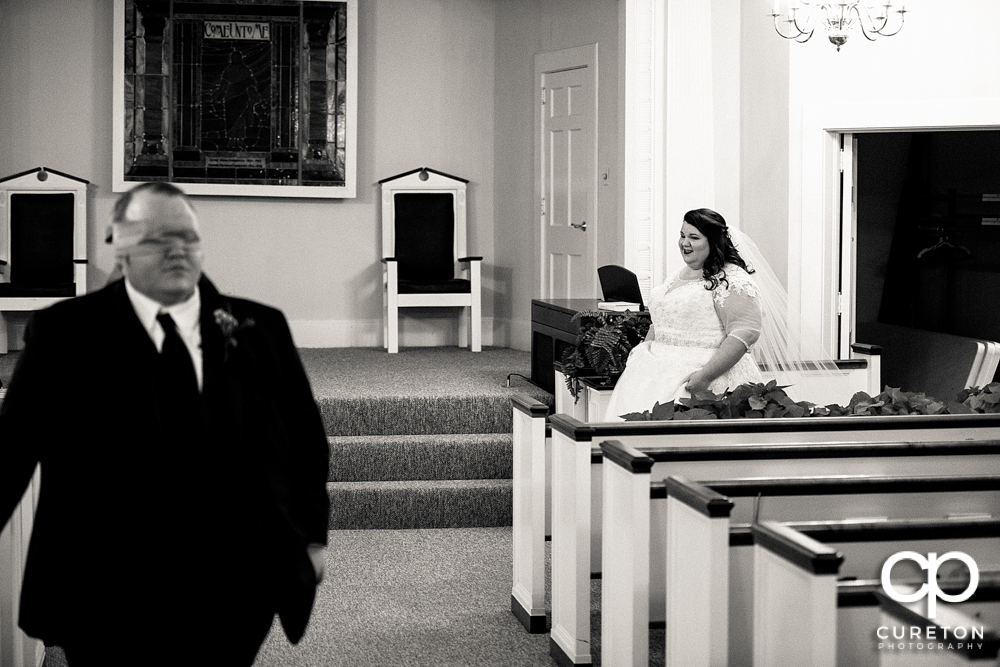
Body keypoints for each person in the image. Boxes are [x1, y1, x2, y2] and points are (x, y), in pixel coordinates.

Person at [0, 182, 331, 666]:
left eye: (188, 236)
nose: (177, 249)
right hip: (106, 584)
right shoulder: (65, 334)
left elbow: (305, 440)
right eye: (157, 238)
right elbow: (12, 449)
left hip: (235, 580)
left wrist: (313, 537)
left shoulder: (260, 328)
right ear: (119, 246)